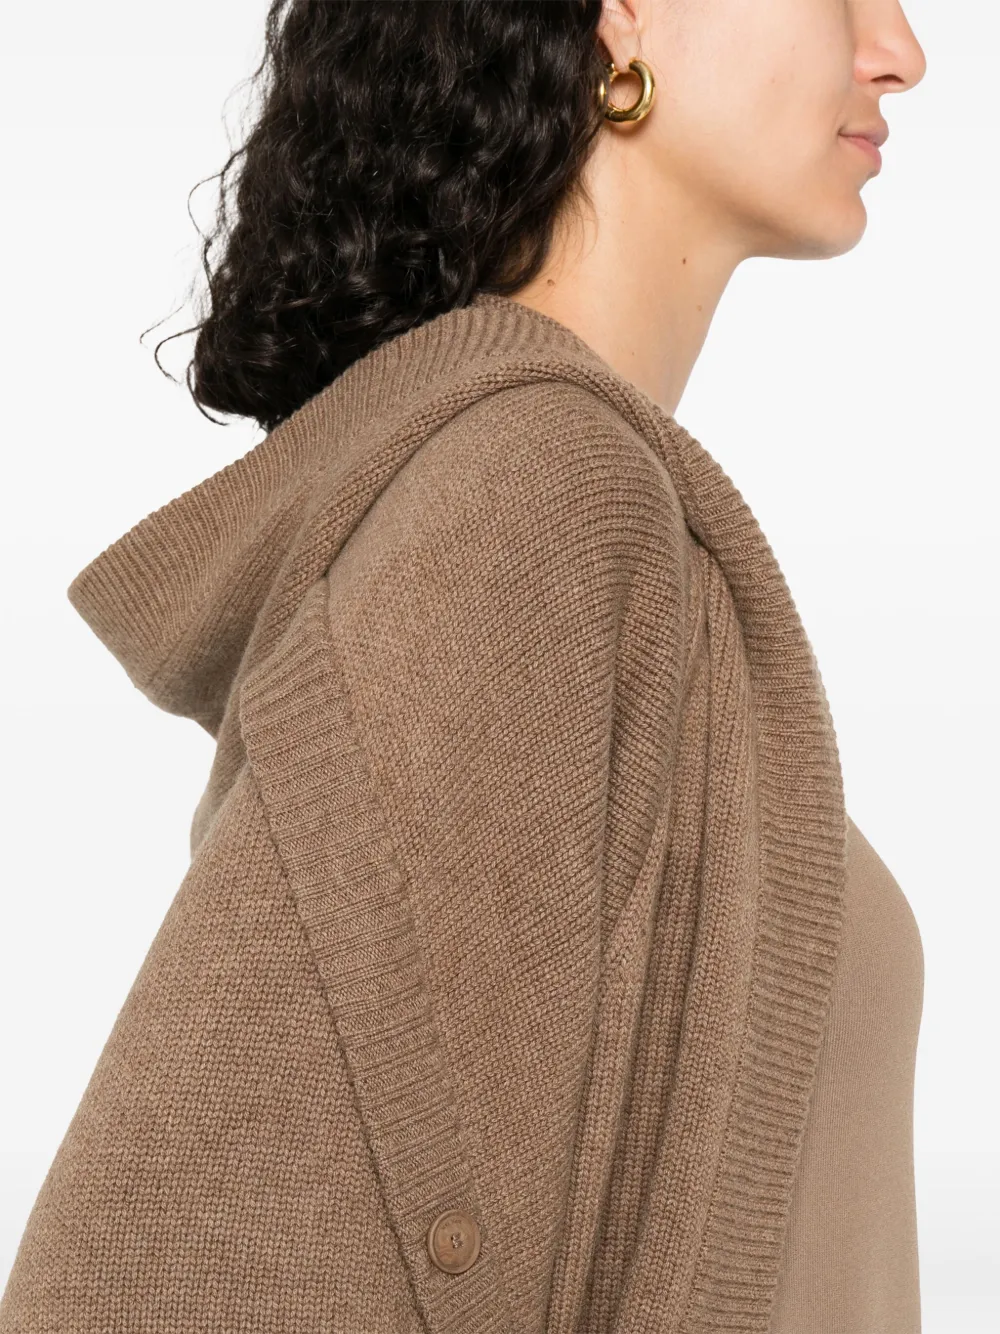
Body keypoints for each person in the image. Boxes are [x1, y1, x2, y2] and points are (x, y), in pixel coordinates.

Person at [0, 3, 928, 1332]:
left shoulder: (563, 502)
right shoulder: (538, 495)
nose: (898, 50)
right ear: (620, 20)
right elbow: (181, 1269)